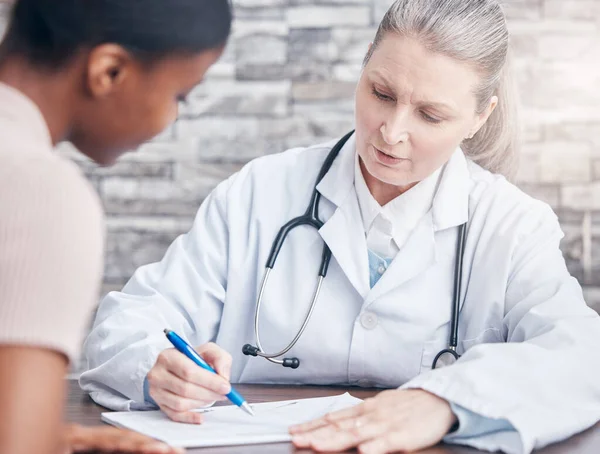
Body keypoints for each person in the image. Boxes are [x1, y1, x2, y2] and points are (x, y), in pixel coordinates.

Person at [80, 0, 600, 453]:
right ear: (363, 69)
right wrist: (157, 366)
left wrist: (444, 400)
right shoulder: (260, 192)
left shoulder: (512, 225)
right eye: (381, 92)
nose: (391, 132)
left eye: (431, 116)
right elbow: (122, 327)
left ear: (479, 117)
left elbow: (582, 357)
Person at [0, 0, 231, 453]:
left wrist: (55, 438)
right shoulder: (40, 192)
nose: (174, 118)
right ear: (109, 71)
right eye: (178, 97)